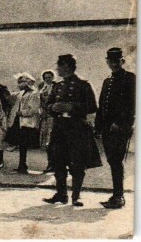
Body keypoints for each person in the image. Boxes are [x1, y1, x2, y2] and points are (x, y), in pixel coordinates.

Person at [43, 54, 100, 207]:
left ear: (67, 66)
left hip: (77, 128)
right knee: (58, 161)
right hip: (59, 127)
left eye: (59, 66)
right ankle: (61, 194)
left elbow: (93, 106)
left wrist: (73, 107)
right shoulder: (58, 85)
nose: (57, 69)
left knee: (77, 163)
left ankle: (76, 196)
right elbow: (48, 105)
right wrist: (52, 107)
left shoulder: (83, 84)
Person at [95, 47, 135, 209]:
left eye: (116, 62)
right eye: (110, 62)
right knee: (112, 160)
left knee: (116, 161)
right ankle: (116, 194)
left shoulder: (130, 78)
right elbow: (101, 105)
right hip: (107, 128)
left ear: (122, 61)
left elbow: (132, 104)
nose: (113, 65)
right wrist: (98, 127)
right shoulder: (107, 81)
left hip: (120, 128)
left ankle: (119, 196)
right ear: (107, 62)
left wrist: (119, 123)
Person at [6, 72, 41, 174]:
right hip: (19, 121)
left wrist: (22, 113)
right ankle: (22, 164)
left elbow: (33, 109)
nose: (19, 84)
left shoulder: (34, 94)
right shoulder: (21, 93)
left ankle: (23, 165)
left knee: (24, 144)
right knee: (21, 144)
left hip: (27, 122)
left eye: (22, 82)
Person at [37, 70, 55, 173]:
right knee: (46, 142)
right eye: (46, 77)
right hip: (45, 116)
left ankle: (55, 164)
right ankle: (50, 163)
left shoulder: (56, 87)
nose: (48, 79)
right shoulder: (41, 87)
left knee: (52, 140)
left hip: (53, 116)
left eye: (50, 77)